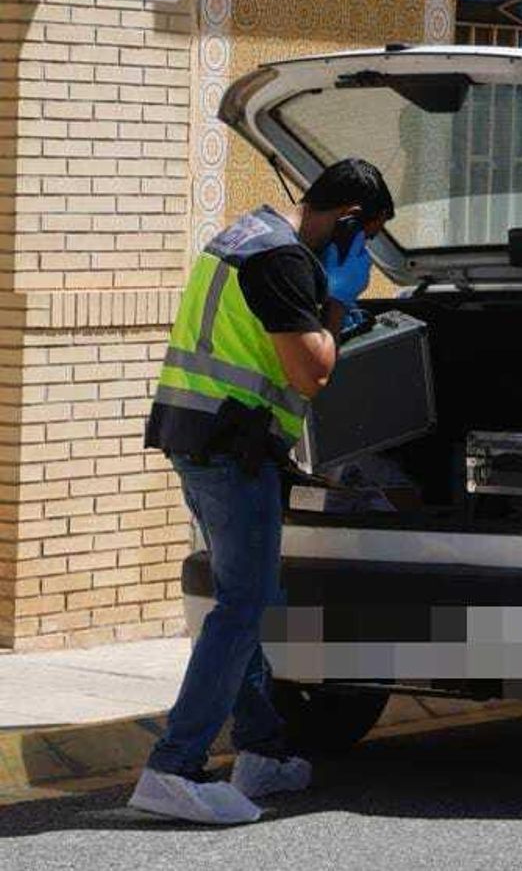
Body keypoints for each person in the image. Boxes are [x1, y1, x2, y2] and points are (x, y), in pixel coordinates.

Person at [129, 159, 394, 824]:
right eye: (366, 241)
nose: (366, 258)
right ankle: (174, 765)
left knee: (239, 602)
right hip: (231, 453)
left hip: (201, 440)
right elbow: (312, 373)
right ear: (349, 223)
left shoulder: (243, 236)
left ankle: (263, 752)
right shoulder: (282, 263)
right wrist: (337, 296)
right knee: (242, 608)